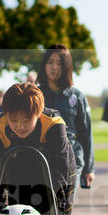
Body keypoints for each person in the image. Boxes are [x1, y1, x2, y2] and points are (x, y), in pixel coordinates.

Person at [0, 82, 76, 215]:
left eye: (26, 120)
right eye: (14, 120)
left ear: (38, 114)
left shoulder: (53, 125)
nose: (20, 126)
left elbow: (61, 174)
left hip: (55, 173)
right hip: (19, 169)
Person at [37, 45, 94, 190]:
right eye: (50, 62)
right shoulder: (35, 95)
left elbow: (86, 134)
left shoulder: (78, 97)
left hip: (72, 161)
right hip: (41, 161)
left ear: (67, 66)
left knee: (63, 209)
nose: (54, 67)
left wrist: (89, 168)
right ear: (44, 65)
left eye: (60, 63)